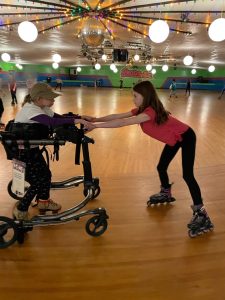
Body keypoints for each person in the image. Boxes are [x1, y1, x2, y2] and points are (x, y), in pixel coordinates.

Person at [83, 80, 214, 237]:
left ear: (145, 96)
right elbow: (119, 115)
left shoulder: (149, 113)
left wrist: (96, 127)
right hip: (175, 138)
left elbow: (123, 122)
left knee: (187, 174)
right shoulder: (141, 110)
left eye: (135, 95)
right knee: (161, 167)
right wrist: (95, 119)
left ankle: (201, 212)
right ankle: (166, 191)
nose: (133, 98)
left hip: (186, 137)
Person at [12, 82, 89, 220]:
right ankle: (21, 208)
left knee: (46, 175)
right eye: (50, 98)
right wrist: (77, 120)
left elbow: (58, 118)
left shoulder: (41, 107)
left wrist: (80, 117)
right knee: (37, 182)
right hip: (23, 152)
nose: (53, 100)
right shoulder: (31, 110)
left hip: (31, 149)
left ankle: (43, 202)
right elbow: (51, 122)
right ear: (39, 98)